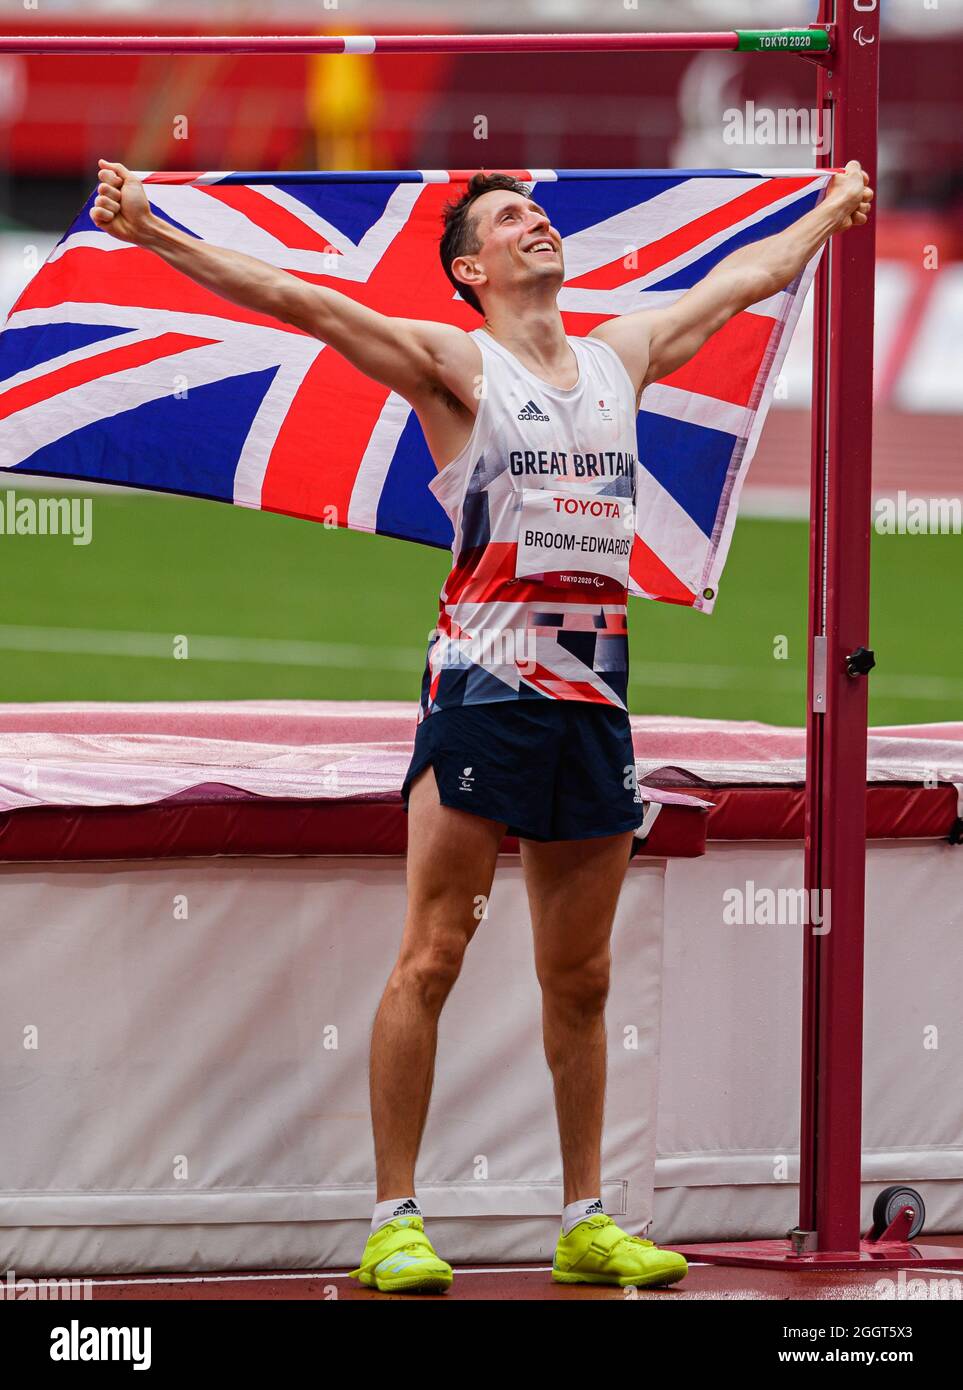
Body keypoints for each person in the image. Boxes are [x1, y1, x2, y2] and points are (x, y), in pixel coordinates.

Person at [91, 157, 873, 1294]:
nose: (536, 221)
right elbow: (300, 302)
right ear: (473, 267)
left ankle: (584, 1216)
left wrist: (829, 212)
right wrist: (157, 230)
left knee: (585, 976)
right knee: (435, 952)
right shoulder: (459, 366)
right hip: (486, 691)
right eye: (511, 218)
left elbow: (745, 279)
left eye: (538, 210)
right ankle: (395, 1216)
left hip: (594, 697)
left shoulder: (624, 357)